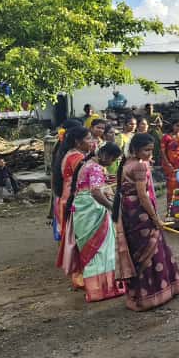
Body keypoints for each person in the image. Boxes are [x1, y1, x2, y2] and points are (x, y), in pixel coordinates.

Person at [112, 133, 179, 311]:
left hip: (128, 211)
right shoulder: (139, 166)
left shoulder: (127, 163)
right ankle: (153, 293)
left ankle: (140, 294)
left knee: (138, 250)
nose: (149, 154)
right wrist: (155, 218)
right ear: (135, 149)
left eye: (151, 150)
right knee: (151, 249)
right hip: (140, 211)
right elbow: (143, 195)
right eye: (146, 150)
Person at [63, 143, 126, 302]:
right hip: (93, 210)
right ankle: (103, 289)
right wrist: (112, 207)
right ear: (106, 155)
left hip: (82, 209)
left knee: (89, 250)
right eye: (113, 159)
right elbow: (96, 192)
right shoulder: (96, 167)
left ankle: (95, 288)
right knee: (102, 250)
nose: (112, 163)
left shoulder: (86, 164)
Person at [55, 126, 92, 290]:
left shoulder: (68, 154)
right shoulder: (77, 157)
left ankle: (79, 276)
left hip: (67, 198)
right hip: (76, 201)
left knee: (74, 238)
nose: (92, 142)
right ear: (78, 141)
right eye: (89, 138)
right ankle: (82, 277)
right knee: (80, 239)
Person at [161, 121, 179, 214]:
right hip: (171, 166)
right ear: (172, 125)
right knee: (172, 189)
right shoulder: (166, 137)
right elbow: (163, 152)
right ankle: (170, 212)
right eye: (177, 125)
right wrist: (168, 164)